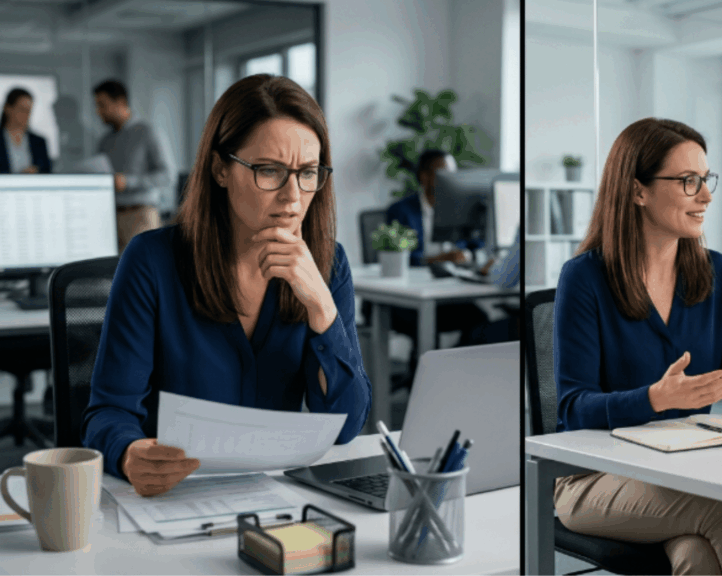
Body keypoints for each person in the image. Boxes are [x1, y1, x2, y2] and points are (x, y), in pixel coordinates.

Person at [81, 74, 371, 497]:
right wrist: (128, 452)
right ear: (220, 168)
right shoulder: (152, 262)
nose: (293, 197)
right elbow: (108, 412)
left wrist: (322, 310)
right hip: (174, 499)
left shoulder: (328, 263)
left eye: (307, 173)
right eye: (269, 171)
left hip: (277, 502)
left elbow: (346, 426)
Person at [553, 117, 722, 575]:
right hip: (590, 481)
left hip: (682, 471)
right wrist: (653, 399)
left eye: (706, 180)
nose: (705, 195)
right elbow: (572, 408)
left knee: (696, 555)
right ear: (637, 190)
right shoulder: (585, 278)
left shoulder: (715, 272)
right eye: (688, 181)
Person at [380, 149, 489, 380]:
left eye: (454, 174)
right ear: (425, 176)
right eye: (444, 174)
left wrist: (467, 255)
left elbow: (477, 244)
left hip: (446, 292)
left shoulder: (461, 208)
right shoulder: (401, 210)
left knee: (479, 320)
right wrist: (440, 260)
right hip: (407, 297)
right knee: (426, 327)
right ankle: (425, 384)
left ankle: (453, 377)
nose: (452, 180)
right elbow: (402, 258)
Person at [93, 79, 175, 252]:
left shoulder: (147, 132)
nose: (98, 111)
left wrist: (128, 182)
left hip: (141, 217)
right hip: (110, 220)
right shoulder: (105, 142)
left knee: (143, 275)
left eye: (102, 105)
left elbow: (168, 175)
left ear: (121, 102)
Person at [0, 87, 51, 174]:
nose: (26, 114)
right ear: (7, 108)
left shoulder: (39, 142)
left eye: (29, 110)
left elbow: (47, 171)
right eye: (22, 109)